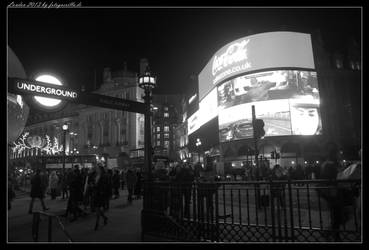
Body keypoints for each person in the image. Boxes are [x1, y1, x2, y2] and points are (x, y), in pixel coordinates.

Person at [93, 164, 109, 230]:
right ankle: (104, 218)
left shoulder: (104, 176)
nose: (97, 170)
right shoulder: (97, 176)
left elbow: (105, 186)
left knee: (97, 209)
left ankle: (97, 223)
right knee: (97, 209)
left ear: (101, 170)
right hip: (96, 194)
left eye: (98, 169)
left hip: (100, 194)